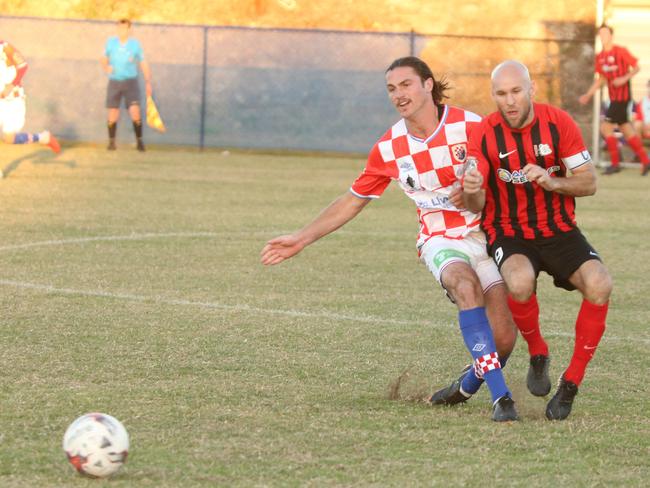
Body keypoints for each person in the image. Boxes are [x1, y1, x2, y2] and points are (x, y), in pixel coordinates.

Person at [261, 56, 519, 422]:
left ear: (428, 84)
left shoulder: (472, 126)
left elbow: (498, 181)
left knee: (505, 337)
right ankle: (502, 401)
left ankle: (466, 386)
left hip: (485, 235)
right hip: (439, 238)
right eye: (391, 89)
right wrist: (301, 238)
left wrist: (480, 192)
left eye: (406, 85)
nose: (399, 95)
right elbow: (352, 200)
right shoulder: (390, 147)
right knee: (464, 287)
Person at [463, 60, 613, 421]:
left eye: (516, 91)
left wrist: (552, 181)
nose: (510, 100)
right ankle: (538, 351)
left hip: (558, 229)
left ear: (531, 90)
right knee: (518, 281)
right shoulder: (484, 133)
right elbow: (475, 200)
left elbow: (588, 182)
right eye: (501, 93)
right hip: (509, 231)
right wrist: (472, 189)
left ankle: (570, 383)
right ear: (493, 96)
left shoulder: (558, 123)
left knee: (600, 284)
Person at [579, 24, 649, 175]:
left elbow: (636, 67)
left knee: (606, 127)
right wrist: (588, 94)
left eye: (605, 33)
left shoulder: (620, 51)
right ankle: (646, 161)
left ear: (611, 35)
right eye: (601, 34)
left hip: (622, 98)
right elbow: (601, 79)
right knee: (627, 130)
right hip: (614, 98)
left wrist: (624, 78)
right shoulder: (601, 57)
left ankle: (615, 163)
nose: (603, 36)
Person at [101, 18, 152, 151]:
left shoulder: (135, 44)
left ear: (129, 29)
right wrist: (106, 67)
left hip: (131, 82)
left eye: (124, 28)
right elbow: (103, 59)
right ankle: (111, 142)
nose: (121, 30)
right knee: (113, 112)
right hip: (114, 82)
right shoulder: (111, 42)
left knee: (135, 111)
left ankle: (139, 142)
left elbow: (143, 62)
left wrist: (147, 82)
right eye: (119, 28)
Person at [0, 40, 60, 154]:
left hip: (13, 101)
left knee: (9, 139)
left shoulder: (5, 48)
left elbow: (23, 66)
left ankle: (43, 137)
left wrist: (11, 85)